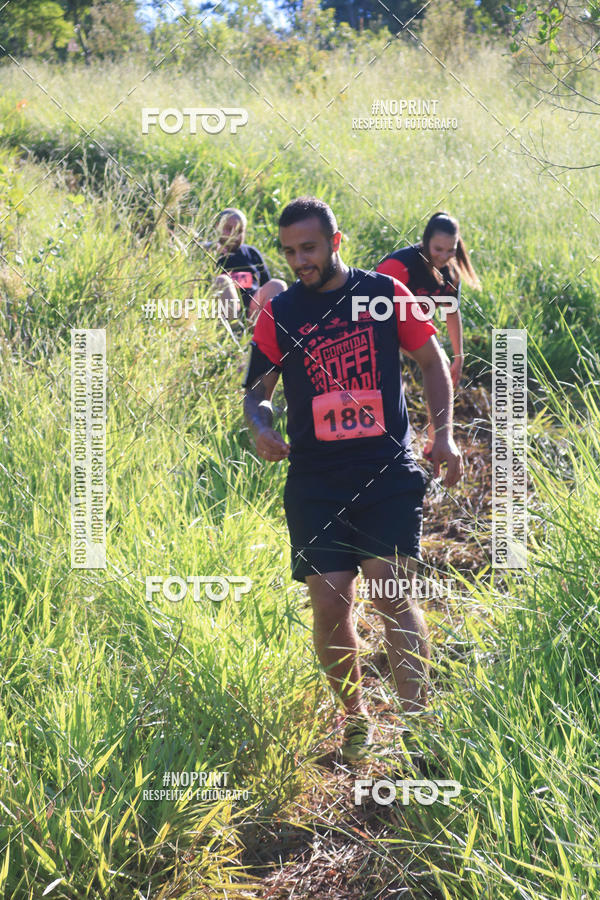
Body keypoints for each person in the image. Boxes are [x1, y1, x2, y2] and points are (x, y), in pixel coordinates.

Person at [242, 196, 463, 762]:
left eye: (309, 248)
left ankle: (419, 730)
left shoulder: (383, 295)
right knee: (330, 604)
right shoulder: (281, 313)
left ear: (335, 242)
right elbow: (256, 392)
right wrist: (260, 427)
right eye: (289, 251)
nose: (298, 261)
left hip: (386, 468)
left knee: (390, 589)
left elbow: (433, 361)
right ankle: (355, 718)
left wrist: (444, 434)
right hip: (316, 478)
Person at [376, 212, 480, 458]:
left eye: (450, 250)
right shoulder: (400, 266)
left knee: (446, 369)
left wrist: (459, 356)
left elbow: (451, 312)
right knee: (394, 383)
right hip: (381, 326)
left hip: (414, 328)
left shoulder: (449, 272)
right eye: (438, 249)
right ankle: (394, 444)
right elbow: (373, 309)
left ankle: (436, 443)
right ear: (424, 241)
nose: (444, 257)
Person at [212, 208, 286, 320]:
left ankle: (263, 332)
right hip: (225, 308)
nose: (234, 235)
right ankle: (235, 332)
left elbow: (267, 285)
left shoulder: (251, 253)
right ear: (218, 227)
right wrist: (213, 249)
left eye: (239, 231)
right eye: (229, 229)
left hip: (253, 306)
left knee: (277, 285)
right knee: (223, 281)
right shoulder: (207, 252)